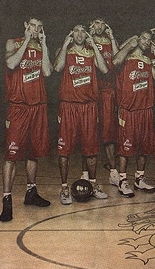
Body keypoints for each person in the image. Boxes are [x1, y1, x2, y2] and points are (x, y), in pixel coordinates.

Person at [0, 17, 52, 222]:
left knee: (34, 152)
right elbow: (10, 63)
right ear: (25, 26)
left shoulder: (41, 46)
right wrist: (27, 42)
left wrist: (44, 44)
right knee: (12, 156)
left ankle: (31, 193)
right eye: (33, 26)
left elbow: (47, 71)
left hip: (38, 106)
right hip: (18, 107)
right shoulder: (13, 43)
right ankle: (7, 200)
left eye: (40, 27)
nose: (36, 29)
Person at [53, 24, 109, 204]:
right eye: (75, 30)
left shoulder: (91, 52)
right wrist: (64, 44)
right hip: (69, 106)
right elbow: (57, 67)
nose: (79, 34)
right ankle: (64, 187)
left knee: (91, 149)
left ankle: (92, 184)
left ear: (87, 35)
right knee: (65, 150)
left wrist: (94, 45)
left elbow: (105, 69)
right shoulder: (64, 51)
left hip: (89, 106)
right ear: (71, 33)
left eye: (82, 31)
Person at [111, 31, 155, 197]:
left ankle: (140, 178)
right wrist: (129, 44)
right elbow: (115, 61)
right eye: (144, 38)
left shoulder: (148, 59)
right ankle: (122, 180)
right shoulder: (126, 57)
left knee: (144, 148)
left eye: (149, 40)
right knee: (125, 148)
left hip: (145, 109)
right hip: (128, 110)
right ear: (137, 39)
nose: (147, 42)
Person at [81, 17, 121, 186]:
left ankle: (113, 171)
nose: (99, 26)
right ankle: (85, 173)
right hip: (89, 91)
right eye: (96, 22)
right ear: (91, 25)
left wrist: (112, 37)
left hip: (107, 92)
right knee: (87, 134)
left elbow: (119, 60)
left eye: (102, 23)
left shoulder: (109, 41)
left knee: (108, 133)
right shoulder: (85, 40)